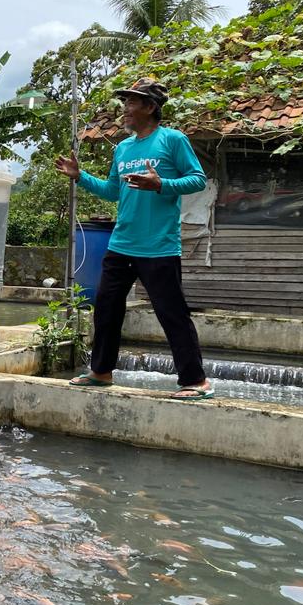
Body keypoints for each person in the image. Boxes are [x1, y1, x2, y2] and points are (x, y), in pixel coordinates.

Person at [55, 78, 213, 400]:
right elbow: (114, 190)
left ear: (151, 107)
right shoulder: (124, 148)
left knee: (172, 314)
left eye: (131, 102)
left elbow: (197, 180)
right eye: (125, 102)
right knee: (107, 310)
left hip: (158, 246)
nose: (125, 109)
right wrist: (80, 176)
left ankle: (196, 382)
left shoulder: (172, 140)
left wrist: (161, 185)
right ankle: (101, 371)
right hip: (121, 243)